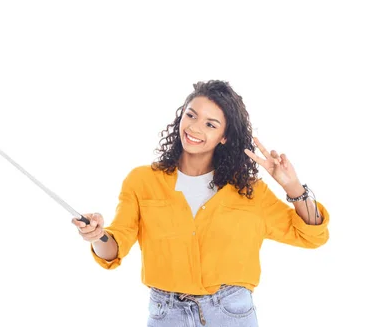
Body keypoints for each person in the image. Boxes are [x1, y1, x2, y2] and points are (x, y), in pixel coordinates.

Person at [72, 80, 330, 327]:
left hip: (231, 314)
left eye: (210, 124)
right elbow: (114, 248)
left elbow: (311, 236)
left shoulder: (251, 192)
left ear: (224, 137)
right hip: (166, 315)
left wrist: (292, 186)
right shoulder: (142, 181)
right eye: (191, 115)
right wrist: (97, 236)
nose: (194, 128)